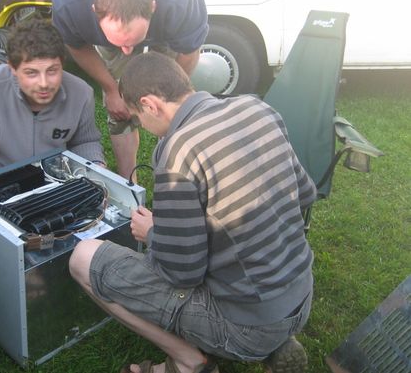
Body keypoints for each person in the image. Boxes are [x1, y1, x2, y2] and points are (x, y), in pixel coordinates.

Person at [69, 52, 316, 373]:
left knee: (83, 258)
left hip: (248, 324)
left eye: (138, 117)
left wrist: (154, 234)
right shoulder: (257, 108)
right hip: (300, 296)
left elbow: (182, 273)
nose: (143, 127)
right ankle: (275, 342)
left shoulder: (178, 151)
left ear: (150, 104)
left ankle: (188, 362)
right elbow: (305, 193)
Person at [52, 0, 208, 180]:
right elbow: (78, 47)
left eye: (133, 42)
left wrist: (170, 100)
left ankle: (171, 172)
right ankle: (129, 180)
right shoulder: (71, 0)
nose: (129, 51)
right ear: (94, 11)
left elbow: (189, 49)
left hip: (163, 31)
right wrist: (112, 90)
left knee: (170, 106)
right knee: (119, 109)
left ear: (153, 7)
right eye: (120, 42)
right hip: (108, 27)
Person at [0, 19, 105, 205]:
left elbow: (85, 141)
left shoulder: (81, 93)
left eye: (52, 70)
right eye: (31, 73)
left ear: (62, 63)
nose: (44, 83)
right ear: (12, 68)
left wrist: (96, 167)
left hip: (56, 186)